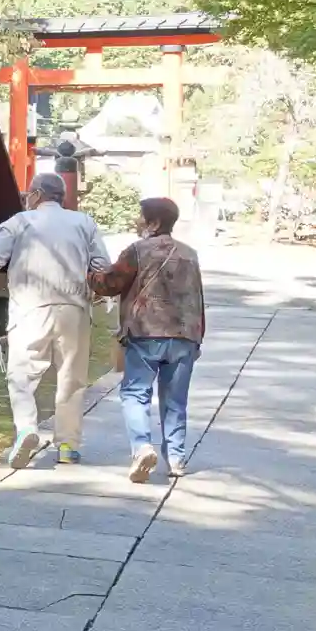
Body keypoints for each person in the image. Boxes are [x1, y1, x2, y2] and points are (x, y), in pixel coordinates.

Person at [0, 172, 111, 468]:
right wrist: (94, 291)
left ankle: (26, 429)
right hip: (73, 309)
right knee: (71, 378)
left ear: (37, 194)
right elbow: (101, 265)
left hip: (30, 308)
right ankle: (68, 445)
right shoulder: (84, 223)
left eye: (29, 193)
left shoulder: (19, 222)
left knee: (21, 375)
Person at [89, 196, 207, 482]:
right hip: (185, 336)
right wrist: (198, 337)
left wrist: (87, 273)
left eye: (141, 216)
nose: (137, 220)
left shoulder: (137, 251)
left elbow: (110, 283)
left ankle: (142, 447)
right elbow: (198, 297)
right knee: (175, 400)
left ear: (153, 222)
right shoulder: (190, 254)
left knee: (135, 393)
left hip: (146, 332)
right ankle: (176, 458)